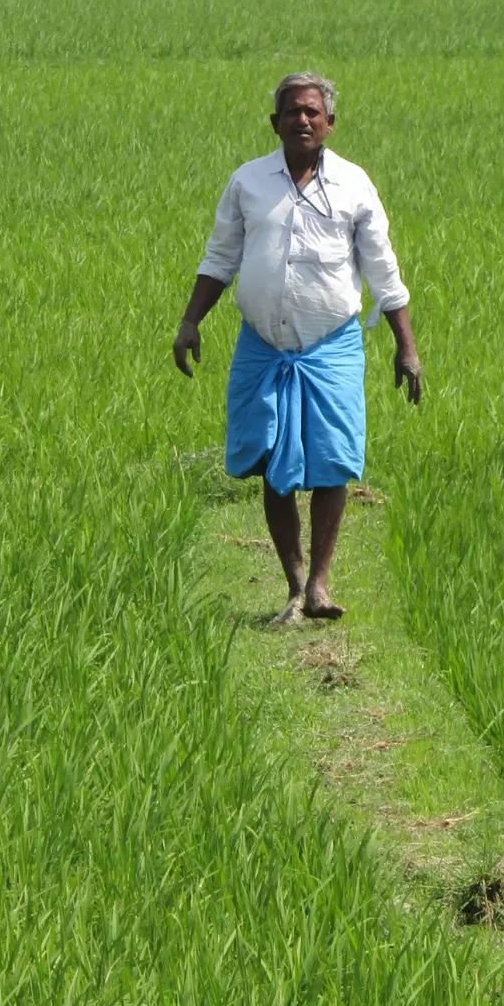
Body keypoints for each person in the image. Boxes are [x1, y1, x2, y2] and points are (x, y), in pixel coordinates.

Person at [173, 73, 421, 623]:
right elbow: (219, 258)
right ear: (275, 123)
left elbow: (383, 270)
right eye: (292, 112)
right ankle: (291, 583)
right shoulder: (248, 183)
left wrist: (406, 348)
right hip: (262, 346)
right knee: (269, 459)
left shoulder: (355, 185)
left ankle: (320, 585)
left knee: (333, 461)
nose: (302, 120)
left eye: (313, 112)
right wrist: (190, 321)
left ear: (330, 123)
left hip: (331, 347)